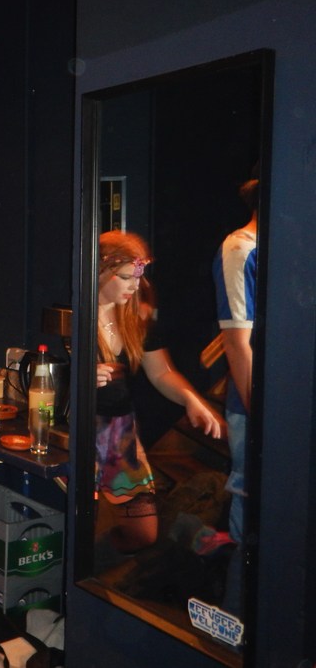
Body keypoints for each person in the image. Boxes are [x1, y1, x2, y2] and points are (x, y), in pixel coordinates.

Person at [95, 230, 222, 553]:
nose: (135, 286)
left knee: (144, 532)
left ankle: (98, 561)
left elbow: (162, 372)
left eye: (138, 277)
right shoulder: (71, 318)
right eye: (126, 277)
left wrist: (191, 399)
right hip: (78, 430)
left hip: (119, 433)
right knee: (80, 518)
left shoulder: (135, 321)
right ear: (100, 272)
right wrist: (80, 376)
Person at [213, 178, 258, 616]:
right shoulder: (240, 248)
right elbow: (237, 342)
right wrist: (262, 416)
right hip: (256, 406)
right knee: (251, 517)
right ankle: (236, 632)